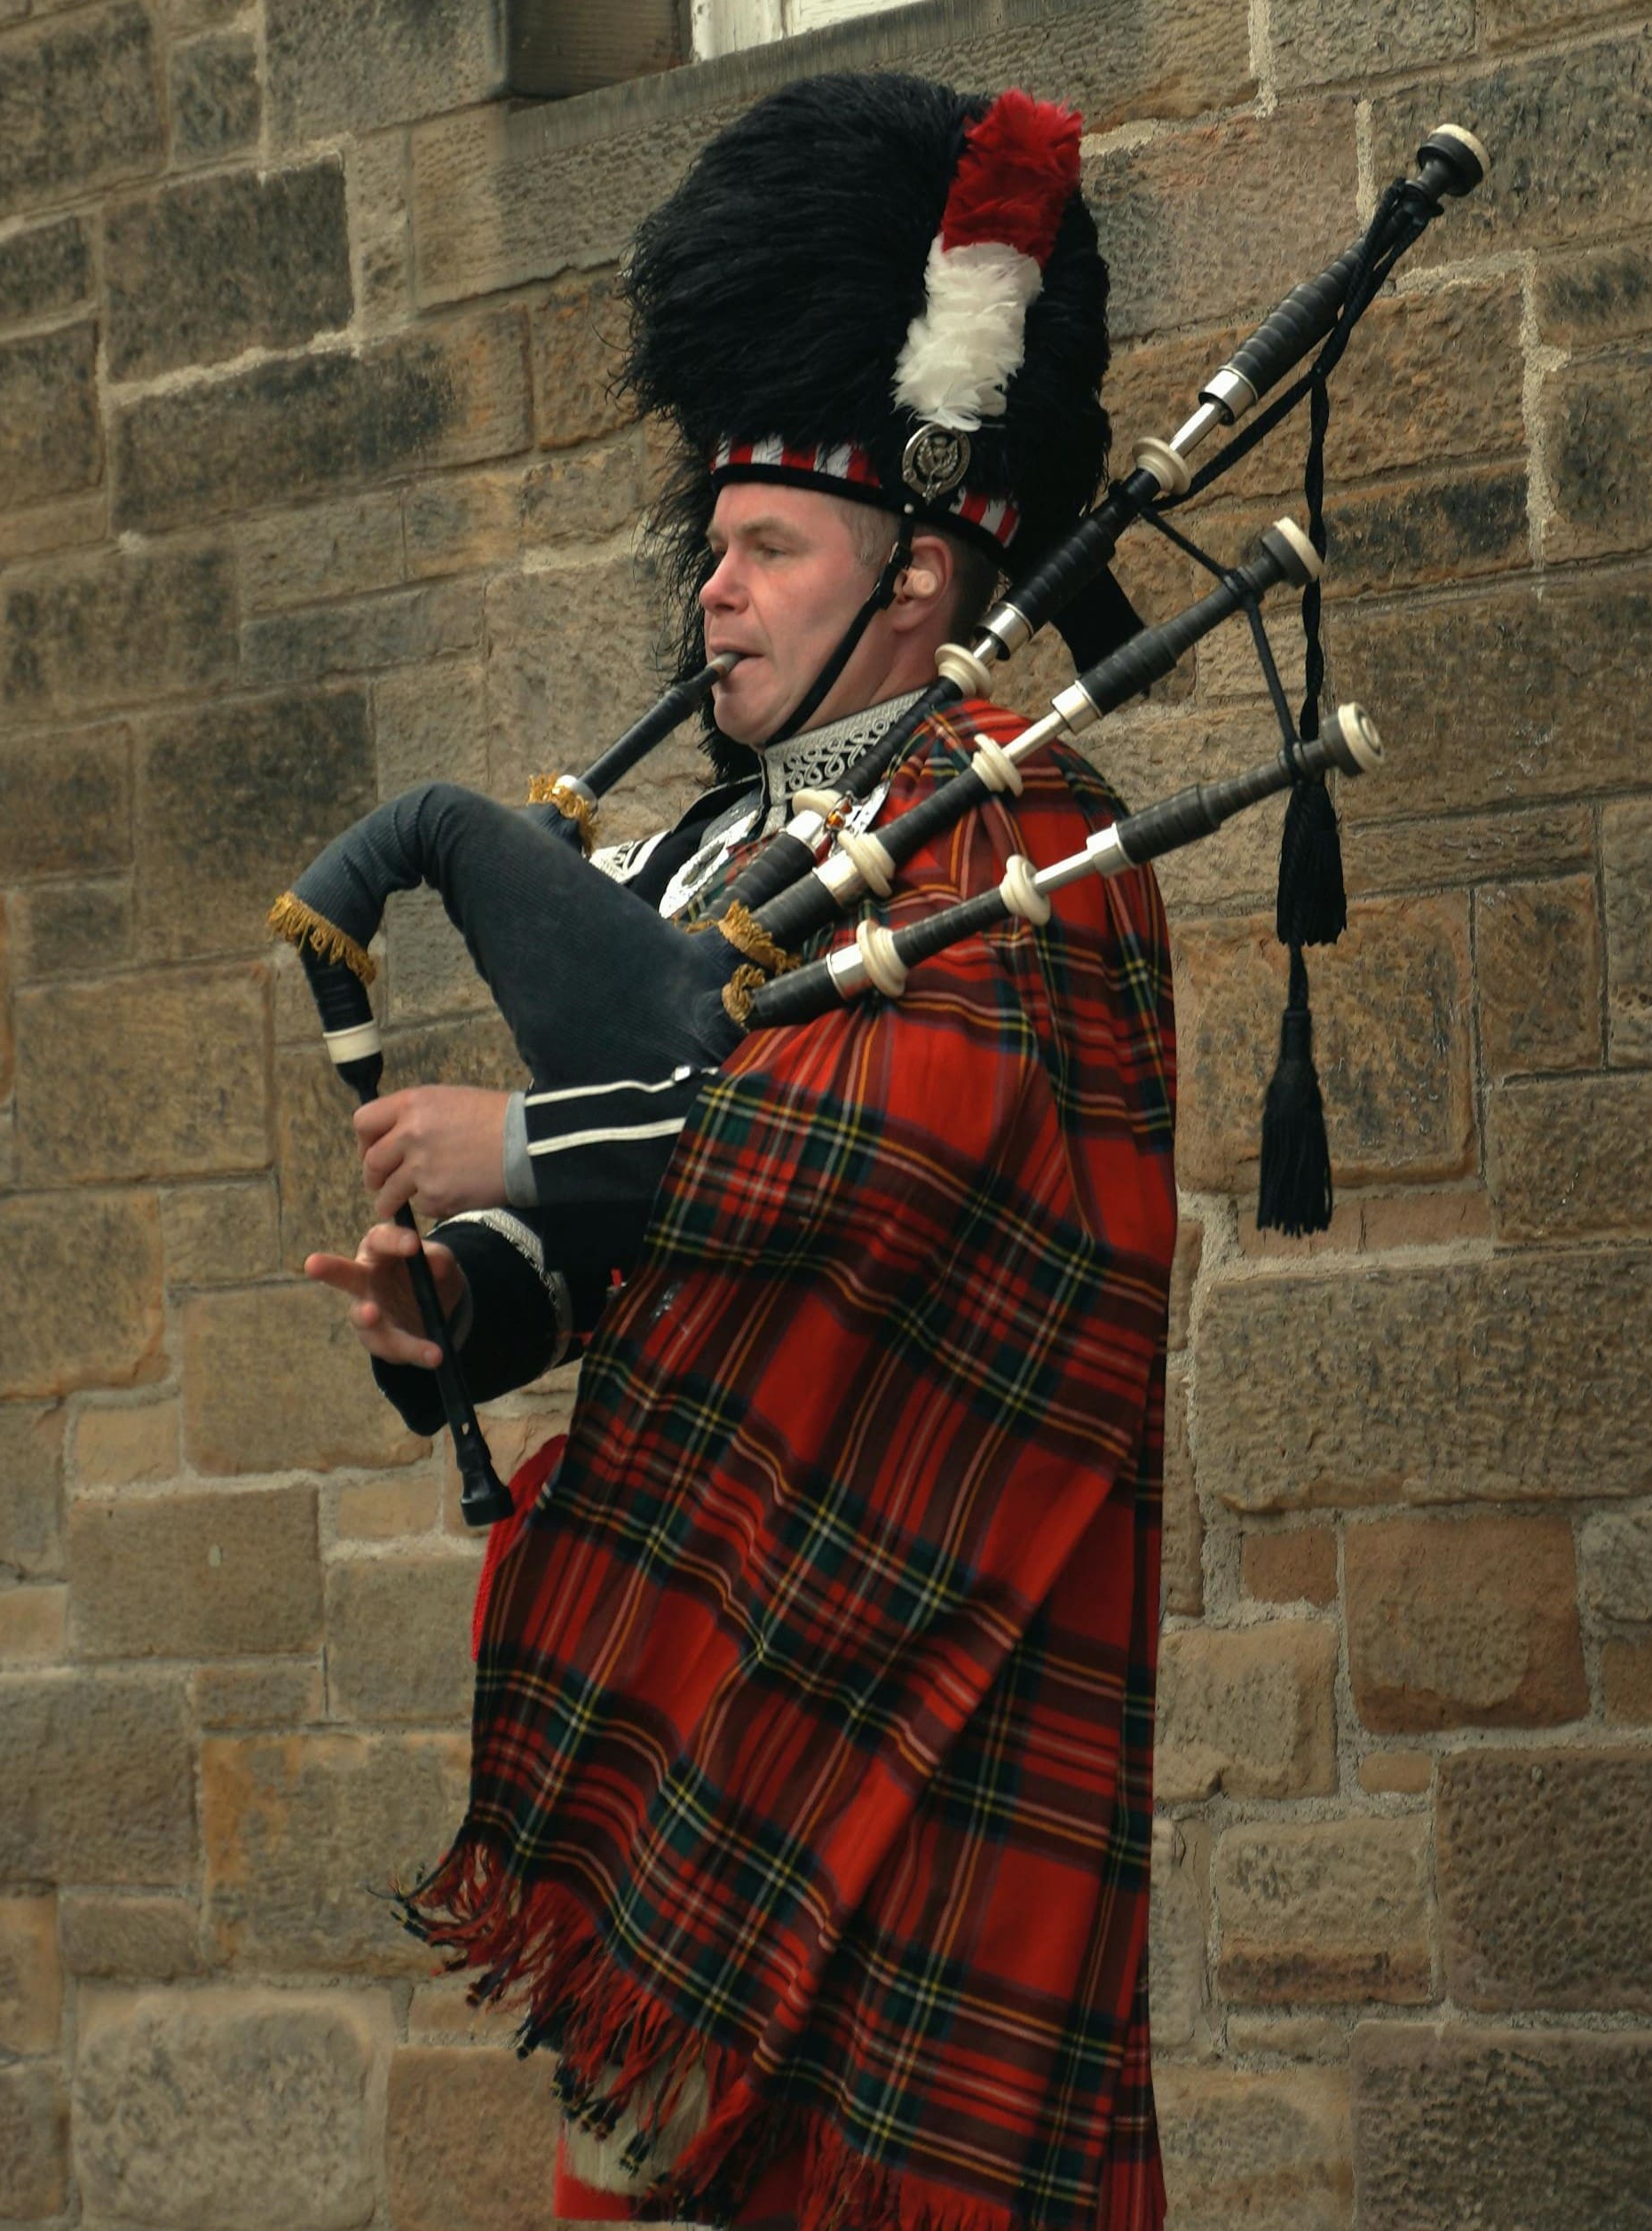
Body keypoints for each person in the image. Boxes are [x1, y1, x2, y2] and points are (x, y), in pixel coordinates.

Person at [305, 73, 1180, 2231]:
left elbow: (894, 1147)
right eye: (709, 545)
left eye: (765, 543)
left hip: (936, 1629)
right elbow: (671, 1242)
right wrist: (471, 1300)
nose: (711, 592)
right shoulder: (741, 850)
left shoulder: (1024, 822)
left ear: (925, 559)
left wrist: (520, 1134)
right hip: (726, 1673)